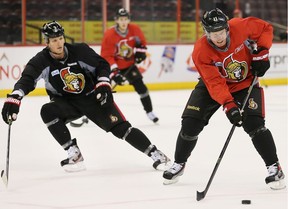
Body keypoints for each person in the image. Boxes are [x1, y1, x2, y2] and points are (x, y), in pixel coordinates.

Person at [1, 21, 170, 172]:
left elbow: (101, 65)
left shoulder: (79, 51)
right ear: (46, 42)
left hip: (93, 98)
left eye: (60, 38)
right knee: (47, 111)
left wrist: (103, 82)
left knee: (122, 130)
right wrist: (15, 98)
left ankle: (156, 154)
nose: (59, 43)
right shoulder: (40, 61)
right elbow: (27, 80)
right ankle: (74, 154)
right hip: (67, 103)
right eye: (54, 40)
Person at [162, 8, 285, 190]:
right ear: (206, 32)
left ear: (227, 28)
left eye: (221, 32)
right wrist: (229, 105)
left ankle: (274, 167)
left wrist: (262, 51)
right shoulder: (201, 51)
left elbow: (265, 28)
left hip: (244, 83)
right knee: (190, 124)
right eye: (213, 33)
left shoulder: (239, 26)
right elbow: (214, 82)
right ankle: (179, 163)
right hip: (213, 85)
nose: (218, 37)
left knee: (255, 125)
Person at [100, 8, 159, 123]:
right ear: (116, 20)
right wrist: (114, 71)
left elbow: (141, 43)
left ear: (129, 20)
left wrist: (141, 52)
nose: (123, 22)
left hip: (129, 65)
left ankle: (149, 112)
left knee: (142, 88)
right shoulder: (109, 34)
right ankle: (91, 113)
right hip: (113, 67)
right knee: (104, 91)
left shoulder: (135, 29)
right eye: (121, 19)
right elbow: (106, 55)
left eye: (125, 19)